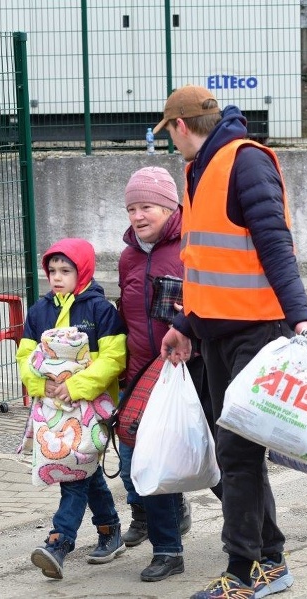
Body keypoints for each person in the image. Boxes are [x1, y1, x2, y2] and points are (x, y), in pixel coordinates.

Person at [156, 85, 307, 599]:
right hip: (216, 334)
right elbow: (204, 262)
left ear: (182, 126)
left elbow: (275, 245)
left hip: (258, 333)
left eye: (171, 134)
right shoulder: (198, 169)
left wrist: (300, 319)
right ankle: (270, 559)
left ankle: (242, 573)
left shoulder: (243, 163)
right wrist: (186, 324)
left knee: (237, 452)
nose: (172, 144)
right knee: (240, 451)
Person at [17, 238, 127, 579]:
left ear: (84, 271)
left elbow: (114, 358)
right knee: (84, 469)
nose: (57, 277)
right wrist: (41, 385)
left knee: (74, 472)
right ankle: (110, 530)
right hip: (53, 409)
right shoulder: (39, 312)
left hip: (90, 408)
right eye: (52, 271)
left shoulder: (100, 310)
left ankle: (59, 541)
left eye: (66, 270)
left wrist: (76, 385)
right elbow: (24, 356)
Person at [116, 166, 193, 582]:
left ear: (168, 206)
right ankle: (167, 550)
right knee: (142, 458)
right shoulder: (129, 256)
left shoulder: (191, 246)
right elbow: (126, 321)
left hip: (192, 370)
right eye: (131, 208)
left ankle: (257, 536)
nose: (138, 216)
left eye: (146, 206)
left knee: (218, 461)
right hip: (144, 372)